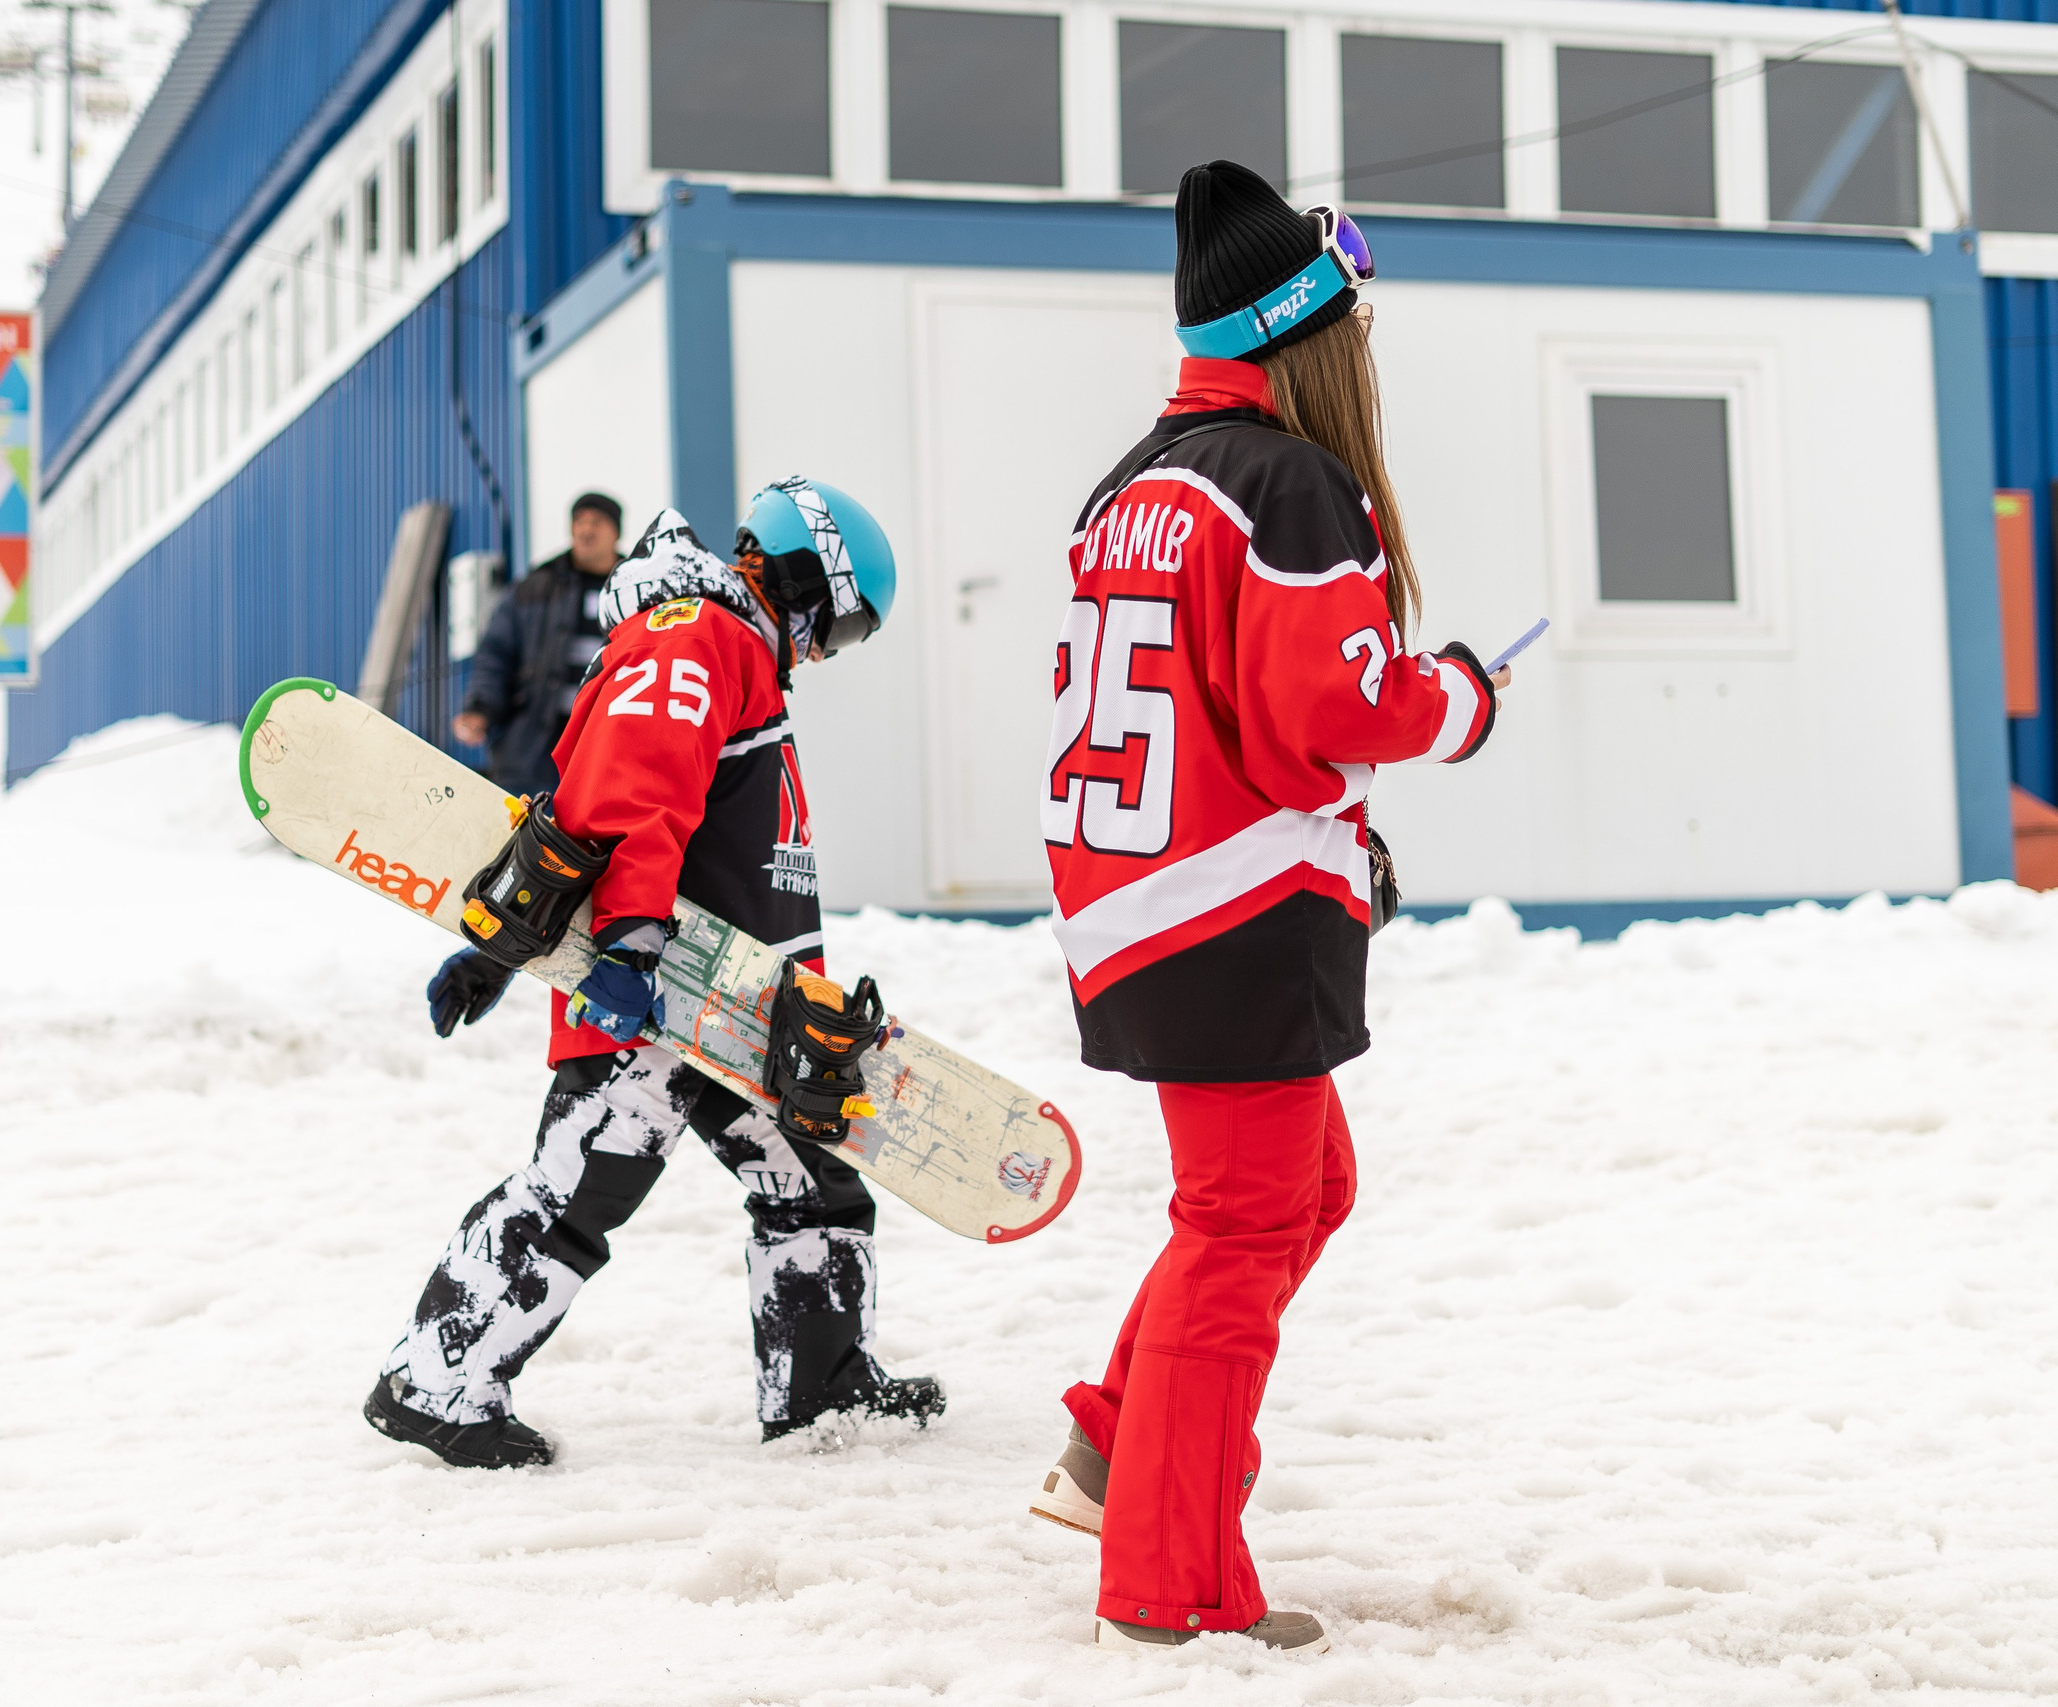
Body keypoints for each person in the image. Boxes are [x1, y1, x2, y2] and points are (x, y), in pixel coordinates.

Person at [1025, 161, 1512, 1654]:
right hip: (1227, 906)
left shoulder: (1136, 482)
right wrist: (1462, 703)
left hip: (1142, 896)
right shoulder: (1290, 481)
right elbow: (1335, 701)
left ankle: (1125, 1437)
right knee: (1243, 1226)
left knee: (1300, 1190)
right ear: (1306, 332)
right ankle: (1169, 1581)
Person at [366, 479, 945, 1469]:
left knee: (813, 1184)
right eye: (837, 629)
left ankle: (818, 1382)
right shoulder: (701, 637)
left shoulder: (721, 650)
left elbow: (575, 811)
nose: (822, 653)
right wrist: (626, 948)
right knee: (576, 1193)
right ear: (804, 579)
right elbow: (632, 787)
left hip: (743, 1007)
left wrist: (501, 948)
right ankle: (435, 1377)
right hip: (660, 995)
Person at [453, 491, 623, 796]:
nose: (586, 530)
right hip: (530, 752)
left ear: (616, 533)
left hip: (605, 750)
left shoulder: (636, 591)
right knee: (519, 837)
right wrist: (481, 709)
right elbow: (496, 655)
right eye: (579, 522)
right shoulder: (534, 587)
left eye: (596, 522)